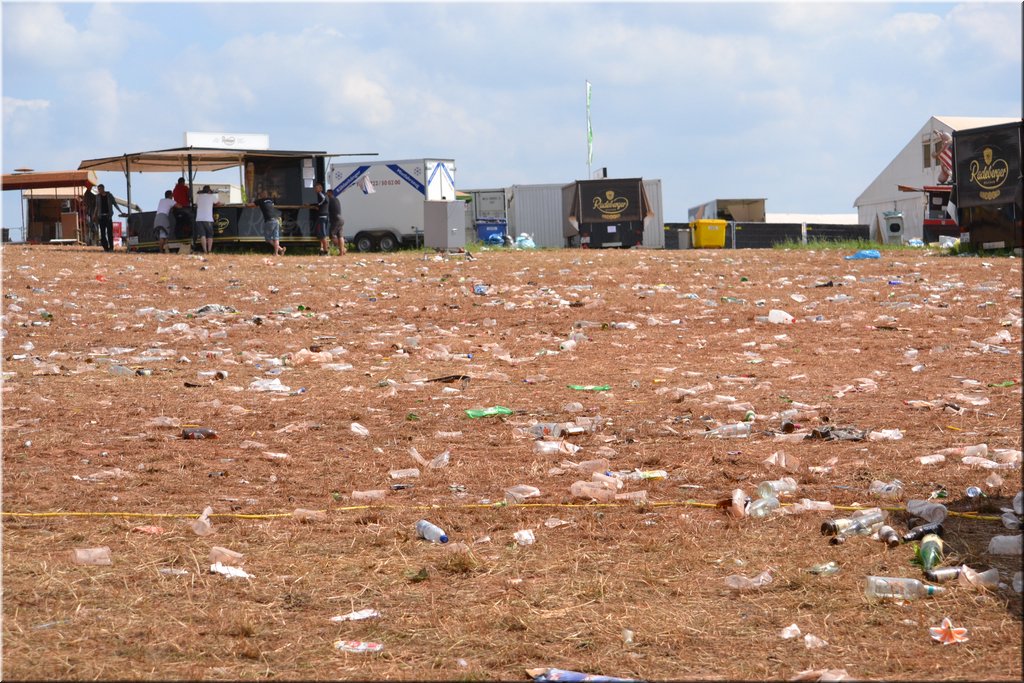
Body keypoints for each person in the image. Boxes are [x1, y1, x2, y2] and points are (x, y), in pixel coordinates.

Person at [92, 184, 123, 252]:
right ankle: (106, 248)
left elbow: (115, 204)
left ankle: (111, 248)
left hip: (108, 217)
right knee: (102, 234)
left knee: (109, 233)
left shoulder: (109, 195)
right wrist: (94, 215)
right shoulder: (97, 197)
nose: (99, 190)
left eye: (100, 189)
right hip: (101, 217)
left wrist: (120, 211)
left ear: (103, 189)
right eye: (98, 189)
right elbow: (96, 206)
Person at [194, 185, 220, 255]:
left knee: (202, 235)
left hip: (199, 218)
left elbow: (196, 204)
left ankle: (205, 251)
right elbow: (218, 203)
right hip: (208, 218)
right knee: (210, 235)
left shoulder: (199, 196)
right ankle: (209, 250)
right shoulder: (211, 196)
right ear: (209, 190)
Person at [312, 182, 330, 255]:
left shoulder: (320, 194)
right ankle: (323, 249)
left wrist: (318, 205)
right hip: (325, 216)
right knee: (322, 234)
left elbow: (324, 200)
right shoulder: (322, 194)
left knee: (322, 235)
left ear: (320, 188)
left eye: (316, 188)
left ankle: (326, 251)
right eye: (315, 188)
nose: (315, 189)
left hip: (322, 217)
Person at [172, 176, 192, 241]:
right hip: (184, 208)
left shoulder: (174, 189)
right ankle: (189, 235)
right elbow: (190, 196)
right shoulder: (185, 188)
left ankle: (178, 235)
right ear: (183, 182)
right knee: (190, 220)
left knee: (178, 222)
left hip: (176, 209)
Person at [328, 188, 346, 255]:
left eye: (327, 193)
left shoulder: (330, 200)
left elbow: (324, 207)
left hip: (335, 220)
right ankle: (341, 253)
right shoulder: (337, 199)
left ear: (330, 193)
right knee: (340, 236)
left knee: (331, 235)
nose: (327, 195)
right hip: (341, 219)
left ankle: (343, 249)